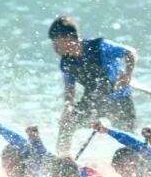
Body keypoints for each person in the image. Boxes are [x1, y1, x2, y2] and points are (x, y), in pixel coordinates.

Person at [49, 15, 137, 154]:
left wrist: (127, 75)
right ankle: (62, 160)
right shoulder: (66, 63)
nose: (54, 47)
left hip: (118, 99)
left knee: (128, 140)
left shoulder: (99, 46)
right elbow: (69, 90)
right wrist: (68, 106)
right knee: (67, 123)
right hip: (93, 101)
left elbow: (130, 53)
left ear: (69, 38)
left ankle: (137, 160)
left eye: (56, 42)